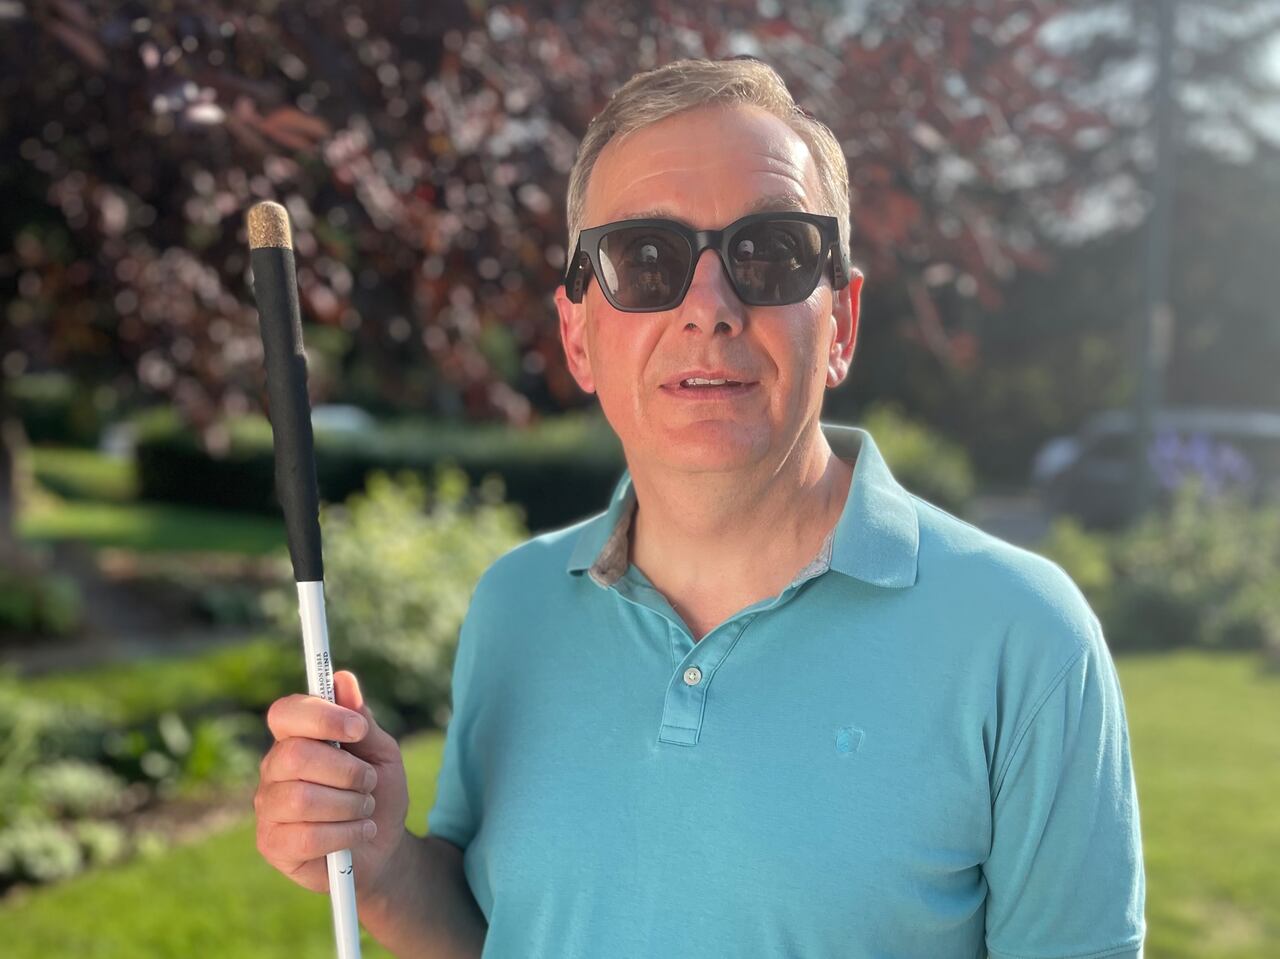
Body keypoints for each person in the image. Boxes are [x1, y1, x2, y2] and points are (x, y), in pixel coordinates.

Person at [254, 57, 1146, 959]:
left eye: (771, 252)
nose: (709, 307)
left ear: (841, 320)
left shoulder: (1023, 639)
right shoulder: (514, 605)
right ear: (577, 335)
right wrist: (380, 866)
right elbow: (502, 936)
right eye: (646, 259)